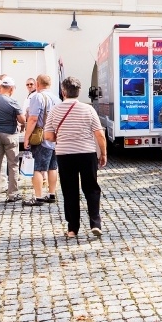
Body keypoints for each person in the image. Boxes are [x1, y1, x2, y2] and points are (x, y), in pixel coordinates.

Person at [44, 76, 107, 239]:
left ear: (63, 92)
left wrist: (63, 137)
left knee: (70, 190)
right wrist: (104, 153)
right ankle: (95, 223)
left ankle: (72, 228)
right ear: (78, 92)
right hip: (87, 153)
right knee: (91, 188)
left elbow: (48, 136)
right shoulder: (88, 109)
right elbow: (99, 134)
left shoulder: (55, 110)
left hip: (65, 155)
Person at [23, 74, 60, 206]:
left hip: (41, 137)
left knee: (37, 168)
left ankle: (38, 197)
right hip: (55, 137)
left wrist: (26, 138)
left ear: (38, 84)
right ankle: (51, 194)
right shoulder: (57, 98)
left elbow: (33, 119)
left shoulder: (37, 96)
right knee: (52, 167)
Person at [0, 76, 26, 203]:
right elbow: (22, 120)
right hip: (10, 134)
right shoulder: (12, 101)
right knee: (13, 164)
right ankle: (12, 194)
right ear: (11, 89)